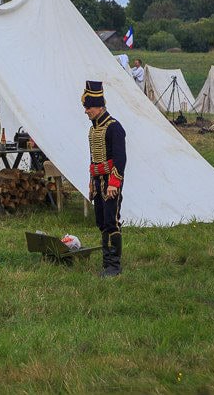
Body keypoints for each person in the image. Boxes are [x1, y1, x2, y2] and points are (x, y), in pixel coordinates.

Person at [82, 80, 127, 278]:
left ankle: (114, 265)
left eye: (88, 107)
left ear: (99, 106)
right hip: (99, 180)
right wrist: (92, 182)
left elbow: (120, 158)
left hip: (110, 181)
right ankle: (106, 262)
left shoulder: (114, 127)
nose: (86, 111)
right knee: (101, 220)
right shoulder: (93, 129)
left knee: (111, 221)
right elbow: (93, 159)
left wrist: (114, 184)